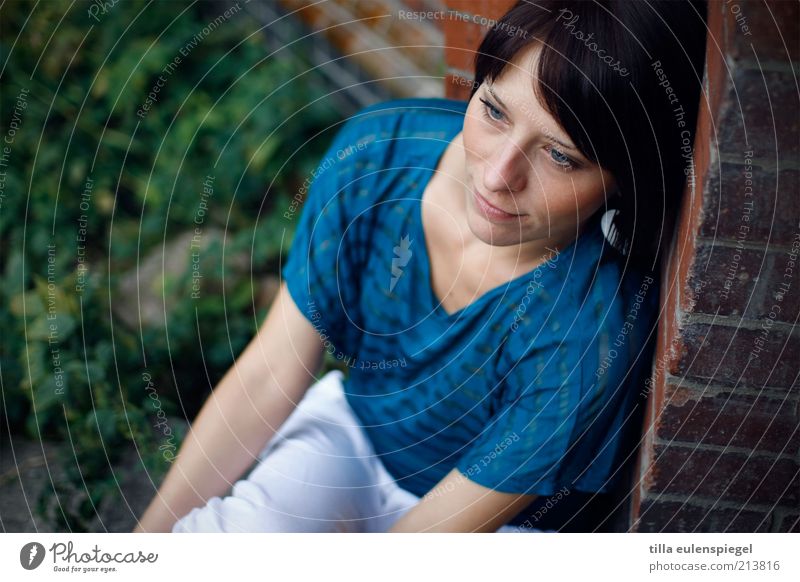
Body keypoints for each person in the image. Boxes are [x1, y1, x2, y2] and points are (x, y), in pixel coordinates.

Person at [134, 0, 707, 533]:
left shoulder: (590, 324)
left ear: (620, 180)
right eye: (494, 110)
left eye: (560, 156)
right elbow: (269, 372)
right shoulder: (379, 156)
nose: (497, 175)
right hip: (357, 439)